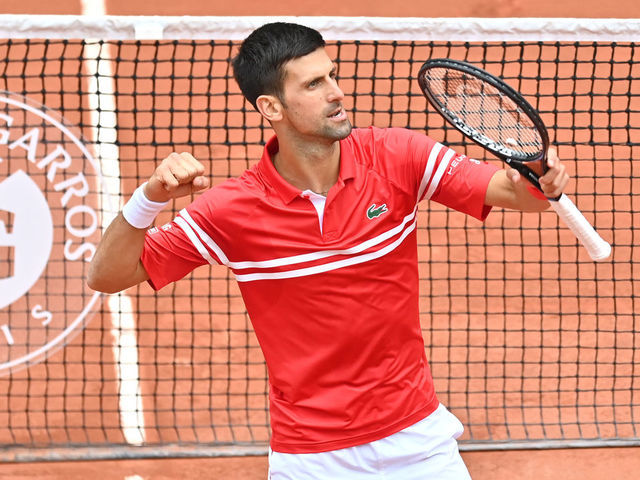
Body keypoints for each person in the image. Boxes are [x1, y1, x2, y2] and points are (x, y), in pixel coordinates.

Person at [88, 22, 569, 479]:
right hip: (312, 457)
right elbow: (107, 276)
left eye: (332, 75)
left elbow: (517, 196)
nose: (337, 92)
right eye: (314, 84)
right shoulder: (229, 210)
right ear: (271, 107)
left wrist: (538, 179)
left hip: (418, 439)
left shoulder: (397, 156)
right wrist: (148, 197)